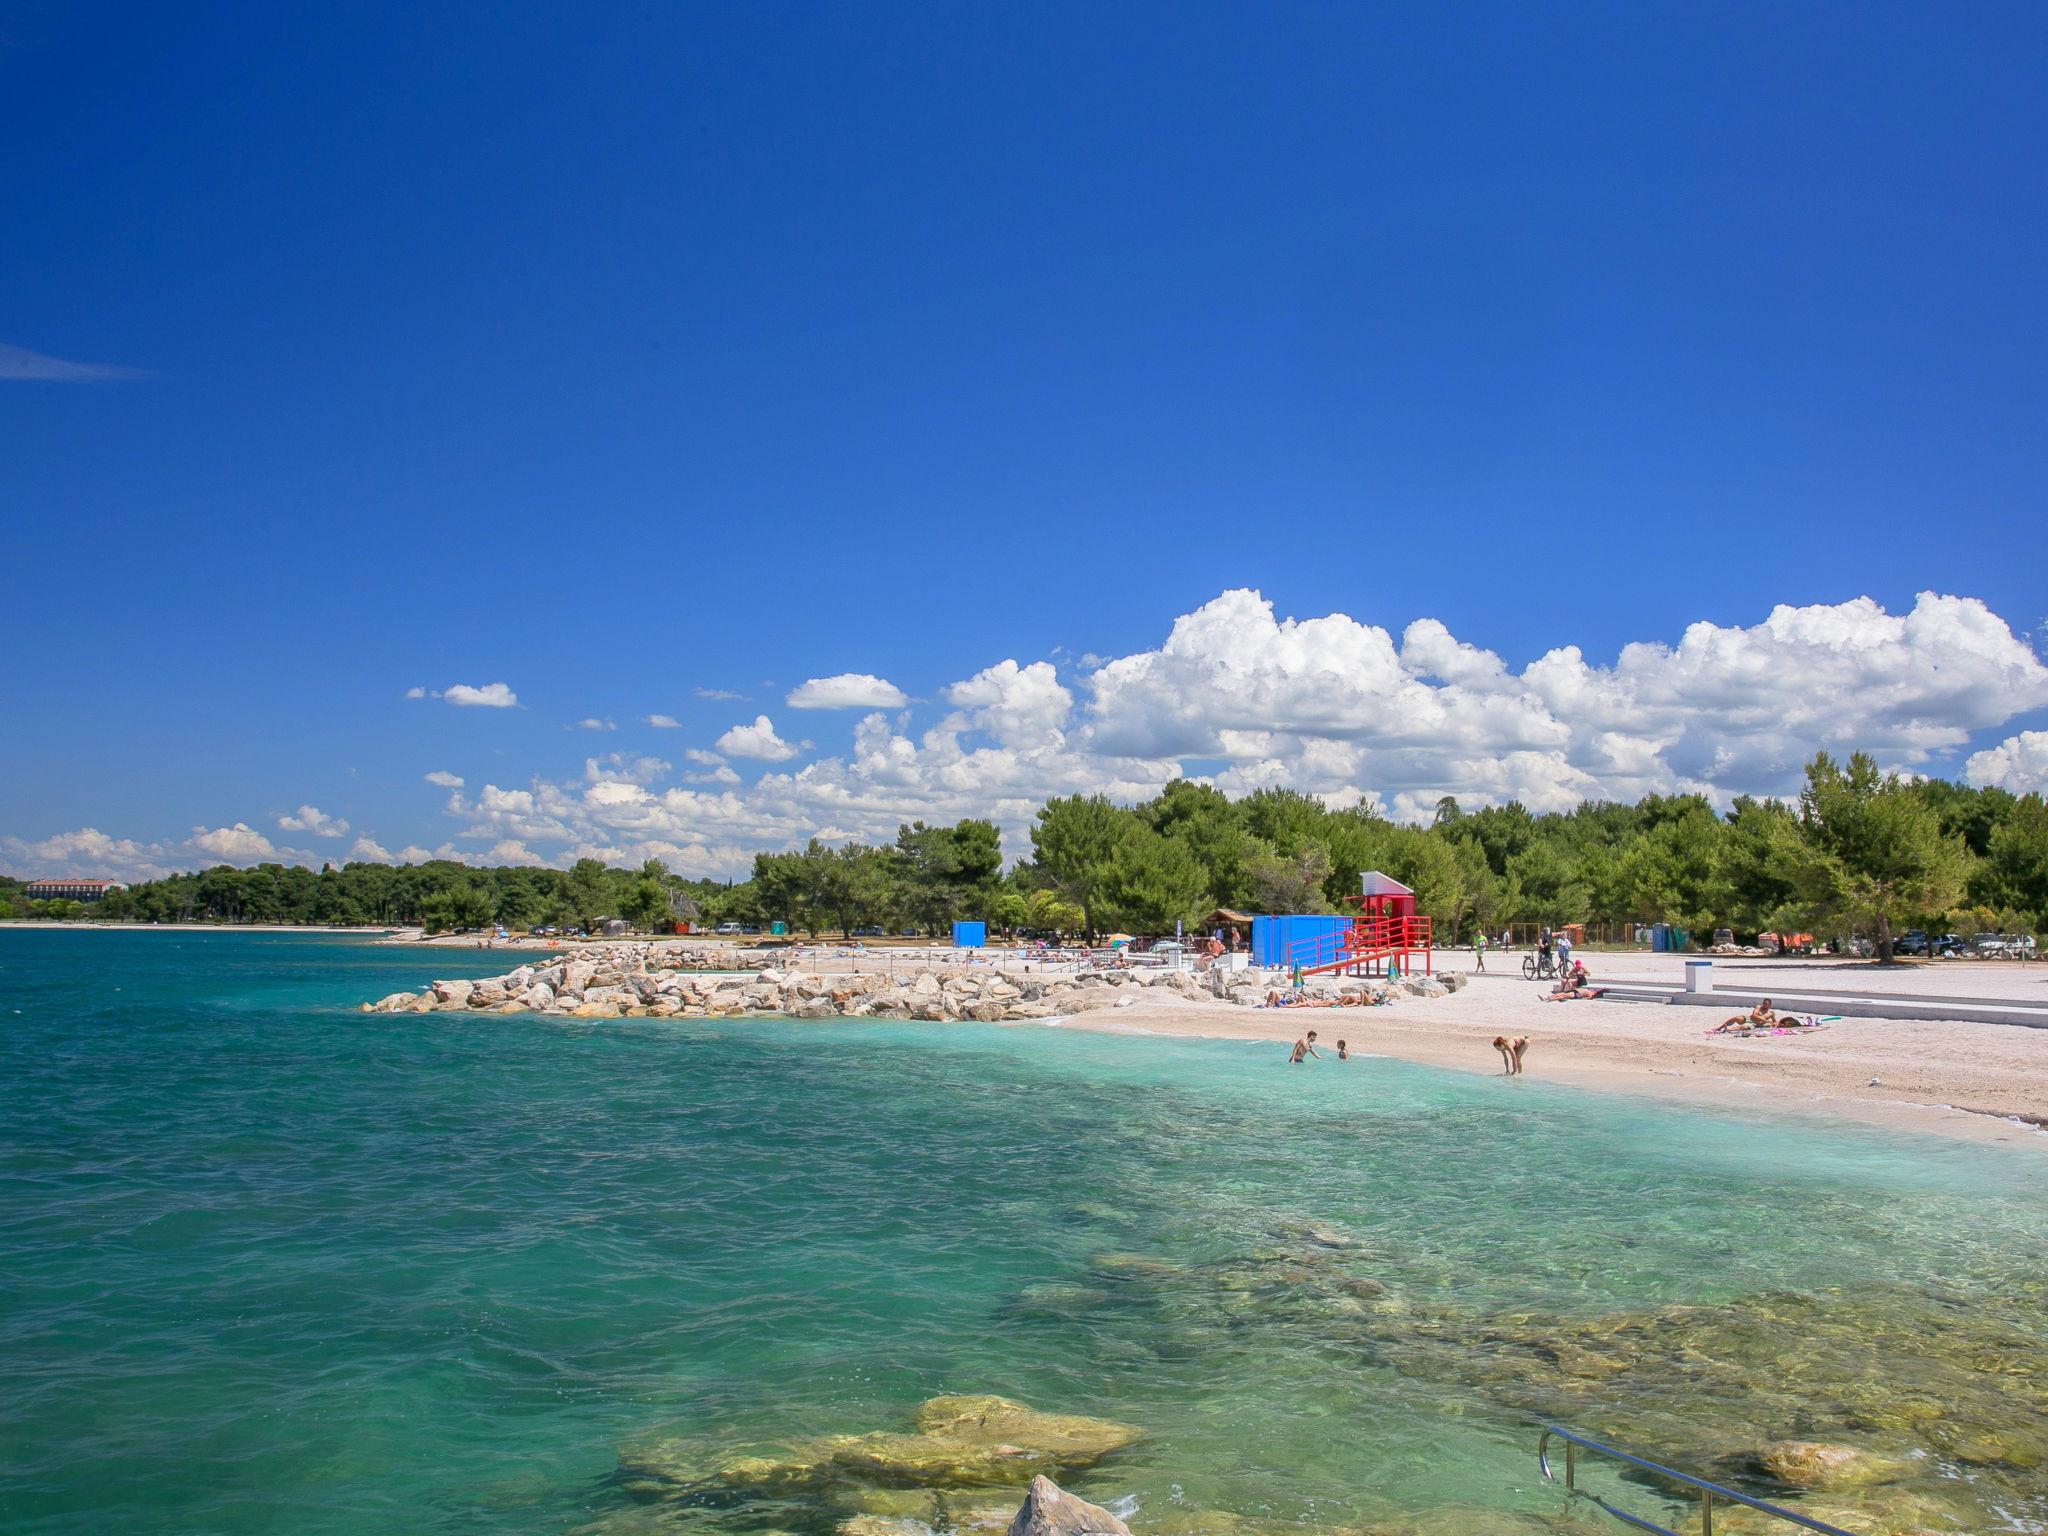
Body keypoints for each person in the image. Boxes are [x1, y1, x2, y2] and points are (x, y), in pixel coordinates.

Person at [1713, 998, 1779, 1034]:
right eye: (1763, 1003)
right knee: (1736, 1018)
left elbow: (1774, 1022)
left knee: (1743, 1027)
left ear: (1769, 1005)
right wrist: (1765, 1020)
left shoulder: (1771, 1013)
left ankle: (1728, 1029)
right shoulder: (1758, 1007)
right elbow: (1754, 1015)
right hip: (1749, 1018)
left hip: (1754, 1024)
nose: (1764, 1005)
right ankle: (1719, 1028)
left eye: (1765, 1004)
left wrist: (1775, 1025)